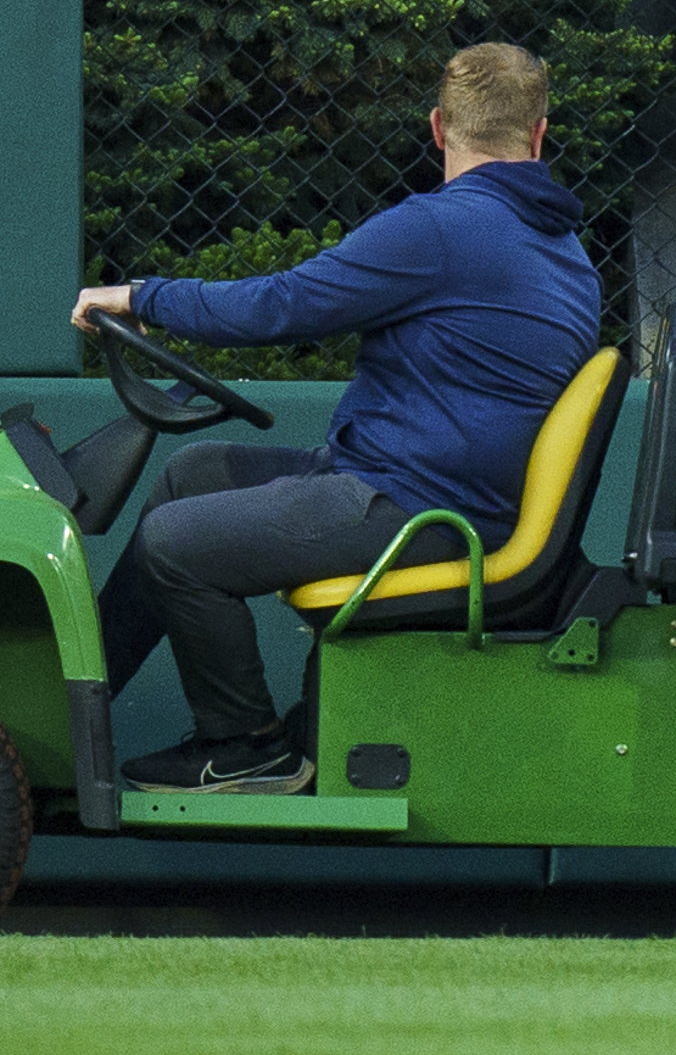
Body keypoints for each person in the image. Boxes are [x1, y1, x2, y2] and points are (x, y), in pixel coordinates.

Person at [78, 45, 600, 795]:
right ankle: (76, 706)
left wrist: (139, 297)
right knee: (190, 475)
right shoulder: (564, 250)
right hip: (432, 489)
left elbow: (281, 306)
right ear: (540, 135)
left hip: (422, 509)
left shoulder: (445, 230)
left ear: (437, 129)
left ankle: (245, 744)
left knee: (173, 542)